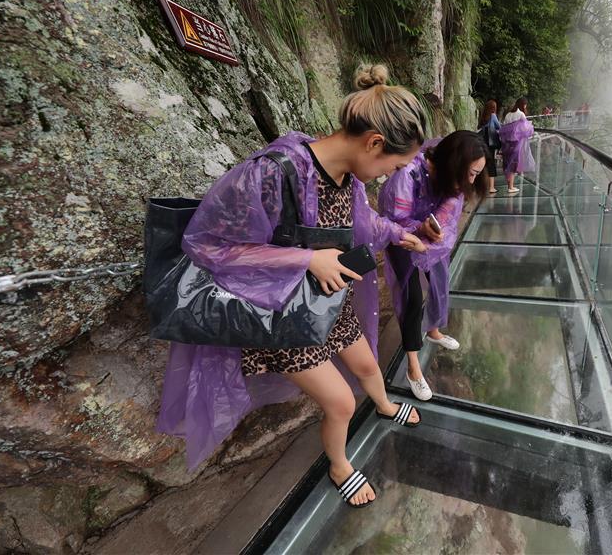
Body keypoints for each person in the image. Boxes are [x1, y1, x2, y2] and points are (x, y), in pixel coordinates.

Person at [157, 64, 428, 508]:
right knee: (340, 403)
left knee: (367, 363)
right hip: (281, 316)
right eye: (391, 166)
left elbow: (364, 222)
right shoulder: (273, 172)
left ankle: (383, 404)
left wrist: (400, 234)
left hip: (326, 301)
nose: (385, 176)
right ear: (374, 142)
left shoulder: (348, 177)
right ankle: (339, 466)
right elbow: (209, 245)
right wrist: (306, 258)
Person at [377, 131, 489, 400]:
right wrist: (419, 229)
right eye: (471, 173)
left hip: (426, 237)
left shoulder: (453, 182)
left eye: (476, 175)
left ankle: (433, 330)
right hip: (400, 239)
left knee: (439, 280)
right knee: (412, 296)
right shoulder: (407, 176)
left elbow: (448, 214)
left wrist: (432, 229)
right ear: (455, 163)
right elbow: (394, 221)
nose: (471, 181)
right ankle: (413, 366)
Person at [500, 97, 535, 193]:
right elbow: (526, 128)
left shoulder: (508, 115)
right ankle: (511, 187)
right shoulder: (521, 114)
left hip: (506, 143)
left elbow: (504, 127)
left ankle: (509, 185)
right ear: (524, 105)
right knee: (513, 163)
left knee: (507, 162)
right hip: (516, 143)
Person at [477, 99, 501, 195]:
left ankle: (483, 186)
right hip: (490, 144)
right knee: (491, 164)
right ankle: (491, 187)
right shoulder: (493, 116)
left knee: (485, 163)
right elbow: (499, 127)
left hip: (483, 143)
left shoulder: (483, 117)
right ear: (493, 108)